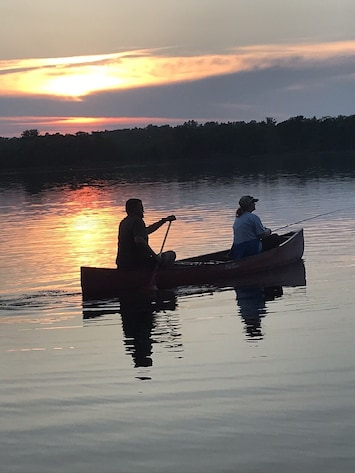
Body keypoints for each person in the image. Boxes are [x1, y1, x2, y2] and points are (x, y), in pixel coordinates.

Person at [116, 198, 176, 270]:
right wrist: (155, 257)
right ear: (135, 209)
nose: (143, 211)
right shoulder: (137, 221)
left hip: (122, 263)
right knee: (171, 254)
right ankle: (164, 277)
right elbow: (139, 241)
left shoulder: (124, 222)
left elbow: (147, 230)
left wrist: (164, 221)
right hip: (138, 263)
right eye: (141, 208)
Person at [231, 195, 274, 260]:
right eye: (253, 202)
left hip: (238, 250)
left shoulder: (238, 218)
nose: (254, 204)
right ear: (249, 205)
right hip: (251, 249)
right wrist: (268, 231)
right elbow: (262, 235)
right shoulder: (253, 217)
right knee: (275, 238)